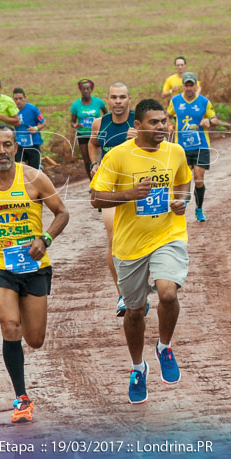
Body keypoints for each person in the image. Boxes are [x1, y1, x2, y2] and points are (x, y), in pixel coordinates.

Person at [0, 124, 70, 423]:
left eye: (7, 144)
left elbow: (62, 213)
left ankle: (22, 358)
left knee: (34, 339)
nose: (1, 151)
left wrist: (45, 239)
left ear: (15, 147)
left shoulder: (35, 178)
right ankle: (21, 398)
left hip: (34, 267)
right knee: (11, 326)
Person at [90, 99, 193, 402]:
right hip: (130, 245)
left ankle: (164, 347)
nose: (161, 127)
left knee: (167, 293)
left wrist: (180, 201)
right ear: (137, 126)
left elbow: (183, 182)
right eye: (154, 122)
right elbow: (96, 198)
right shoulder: (119, 156)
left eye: (163, 122)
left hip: (168, 234)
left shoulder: (175, 152)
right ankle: (138, 367)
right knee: (134, 312)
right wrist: (129, 195)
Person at [88, 83, 138, 316]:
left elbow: (164, 141)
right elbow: (93, 143)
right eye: (114, 97)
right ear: (107, 100)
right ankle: (122, 295)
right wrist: (94, 163)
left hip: (139, 184)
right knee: (113, 237)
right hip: (112, 187)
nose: (118, 101)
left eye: (122, 97)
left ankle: (140, 288)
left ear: (130, 99)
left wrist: (140, 139)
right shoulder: (100, 123)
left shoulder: (140, 121)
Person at [167, 72, 230, 222]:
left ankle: (199, 209)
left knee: (199, 179)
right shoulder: (175, 100)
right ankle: (180, 207)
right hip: (181, 147)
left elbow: (214, 118)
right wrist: (170, 125)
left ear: (196, 85)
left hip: (201, 145)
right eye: (186, 85)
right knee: (183, 179)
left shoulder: (204, 102)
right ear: (183, 86)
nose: (189, 88)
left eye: (191, 85)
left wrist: (209, 121)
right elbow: (168, 115)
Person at [70, 79, 107, 179]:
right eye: (83, 89)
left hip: (96, 133)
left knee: (97, 159)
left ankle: (101, 179)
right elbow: (72, 122)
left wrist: (102, 125)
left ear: (91, 90)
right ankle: (91, 181)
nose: (86, 91)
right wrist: (75, 125)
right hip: (83, 134)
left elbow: (107, 115)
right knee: (87, 160)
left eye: (88, 89)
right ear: (80, 90)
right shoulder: (76, 105)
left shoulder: (99, 102)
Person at [13, 88, 45, 170]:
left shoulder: (32, 109)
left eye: (20, 98)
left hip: (33, 144)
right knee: (20, 168)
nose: (18, 101)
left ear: (25, 98)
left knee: (33, 171)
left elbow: (43, 122)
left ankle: (39, 169)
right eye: (16, 99)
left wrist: (36, 128)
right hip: (19, 145)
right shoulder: (12, 110)